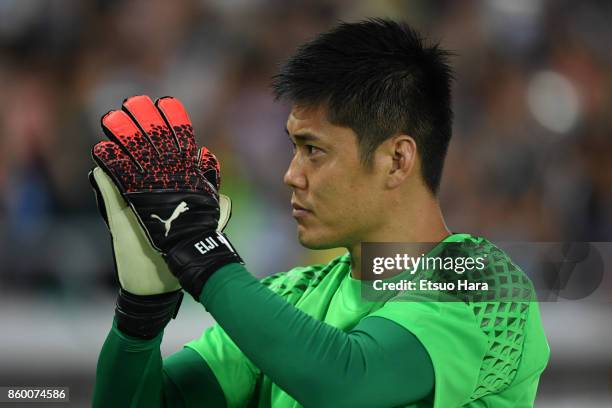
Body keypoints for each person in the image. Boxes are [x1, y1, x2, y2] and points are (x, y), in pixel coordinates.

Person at [91, 19, 550, 407]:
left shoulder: (485, 284)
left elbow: (348, 379)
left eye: (314, 150)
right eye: (295, 147)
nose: (291, 174)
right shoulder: (289, 297)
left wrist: (201, 253)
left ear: (397, 160)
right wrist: (141, 316)